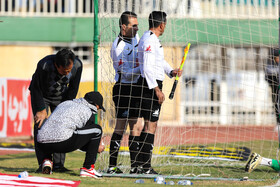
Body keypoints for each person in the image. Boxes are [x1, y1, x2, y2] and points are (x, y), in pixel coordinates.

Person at [135, 11, 182, 174]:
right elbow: (147, 67)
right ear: (162, 24)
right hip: (149, 86)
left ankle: (141, 164)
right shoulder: (148, 40)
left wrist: (171, 71)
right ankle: (145, 166)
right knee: (150, 125)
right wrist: (156, 90)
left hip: (152, 84)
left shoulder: (152, 39)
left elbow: (158, 61)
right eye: (165, 24)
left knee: (150, 124)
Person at [29, 48, 83, 173]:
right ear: (56, 65)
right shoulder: (44, 65)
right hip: (42, 96)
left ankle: (59, 165)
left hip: (62, 98)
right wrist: (41, 109)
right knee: (41, 125)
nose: (66, 73)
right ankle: (45, 161)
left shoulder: (78, 65)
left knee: (61, 126)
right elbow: (36, 88)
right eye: (64, 71)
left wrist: (65, 107)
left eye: (69, 71)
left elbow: (73, 88)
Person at [37, 91, 105, 178]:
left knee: (50, 131)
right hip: (62, 141)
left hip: (41, 142)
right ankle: (88, 168)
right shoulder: (88, 110)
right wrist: (96, 148)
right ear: (96, 105)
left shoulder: (66, 103)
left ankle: (47, 160)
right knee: (97, 130)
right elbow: (84, 141)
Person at [107, 11, 143, 174]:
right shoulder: (118, 46)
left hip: (136, 88)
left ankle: (135, 166)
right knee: (120, 127)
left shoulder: (136, 37)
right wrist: (142, 68)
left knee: (136, 127)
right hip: (123, 88)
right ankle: (112, 166)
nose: (137, 28)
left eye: (137, 25)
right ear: (123, 27)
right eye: (133, 25)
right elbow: (126, 73)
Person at [265, 48, 279, 124]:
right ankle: (278, 123)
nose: (277, 59)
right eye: (276, 57)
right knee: (276, 104)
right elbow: (266, 77)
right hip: (274, 89)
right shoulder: (270, 65)